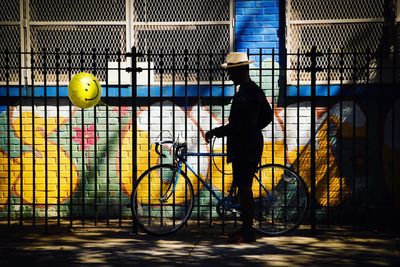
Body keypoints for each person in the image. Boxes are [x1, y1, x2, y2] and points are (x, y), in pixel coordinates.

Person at [205, 52, 273, 243]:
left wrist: (215, 132)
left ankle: (248, 232)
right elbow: (267, 116)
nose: (229, 76)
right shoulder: (254, 90)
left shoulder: (245, 95)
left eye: (231, 72)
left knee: (244, 189)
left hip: (245, 147)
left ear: (240, 71)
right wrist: (253, 128)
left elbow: (237, 126)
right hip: (249, 144)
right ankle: (245, 229)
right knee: (243, 187)